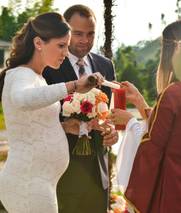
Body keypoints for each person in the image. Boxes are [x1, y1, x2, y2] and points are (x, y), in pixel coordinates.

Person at [0, 12, 104, 213]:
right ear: (39, 43)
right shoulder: (21, 74)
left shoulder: (37, 78)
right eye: (61, 45)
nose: (66, 52)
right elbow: (22, 99)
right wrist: (73, 85)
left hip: (38, 183)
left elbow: (32, 122)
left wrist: (64, 126)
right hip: (28, 184)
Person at [110, 19, 181, 213]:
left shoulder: (174, 92)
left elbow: (154, 145)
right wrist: (141, 103)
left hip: (170, 193)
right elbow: (171, 131)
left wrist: (130, 122)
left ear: (174, 49)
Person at [43, 5, 117, 213]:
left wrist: (111, 131)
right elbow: (39, 120)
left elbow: (107, 115)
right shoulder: (48, 67)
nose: (85, 40)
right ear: (65, 33)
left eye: (91, 34)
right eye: (78, 34)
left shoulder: (106, 65)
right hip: (62, 176)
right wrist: (64, 125)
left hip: (98, 175)